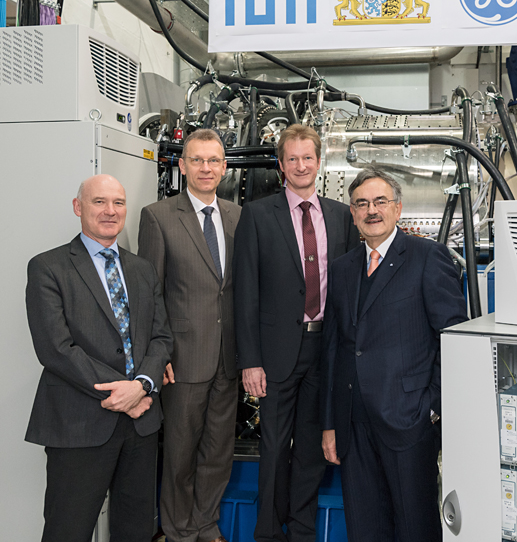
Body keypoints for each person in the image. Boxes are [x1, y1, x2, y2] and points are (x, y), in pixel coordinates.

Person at [320, 166, 467, 542]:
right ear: (352, 214)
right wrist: (330, 423)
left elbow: (454, 340)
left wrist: (431, 407)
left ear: (398, 209)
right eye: (362, 204)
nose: (372, 210)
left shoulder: (427, 258)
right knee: (365, 526)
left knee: (414, 525)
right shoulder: (342, 269)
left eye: (380, 201)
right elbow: (334, 348)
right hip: (354, 425)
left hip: (409, 423)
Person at [25, 174, 173, 542]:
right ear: (78, 207)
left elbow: (161, 337)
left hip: (140, 425)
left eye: (118, 203)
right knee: (67, 530)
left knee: (135, 530)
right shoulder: (48, 267)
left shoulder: (142, 269)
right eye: (99, 202)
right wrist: (121, 394)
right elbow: (56, 349)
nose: (110, 211)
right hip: (80, 423)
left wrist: (141, 387)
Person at [234, 124, 361, 542]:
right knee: (273, 448)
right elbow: (245, 291)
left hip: (324, 347)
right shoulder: (257, 214)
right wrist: (250, 360)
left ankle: (303, 530)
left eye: (308, 157)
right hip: (275, 353)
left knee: (311, 448)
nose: (301, 165)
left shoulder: (341, 216)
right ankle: (268, 533)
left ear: (319, 163)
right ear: (281, 165)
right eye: (292, 159)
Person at [138, 129, 241, 542]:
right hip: (181, 357)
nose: (205, 168)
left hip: (227, 356)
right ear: (182, 166)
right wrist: (156, 355)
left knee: (218, 451)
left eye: (213, 161)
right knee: (180, 453)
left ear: (225, 168)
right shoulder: (158, 216)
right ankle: (178, 530)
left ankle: (205, 524)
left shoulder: (237, 216)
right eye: (196, 160)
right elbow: (151, 294)